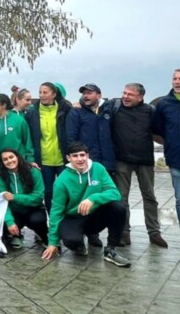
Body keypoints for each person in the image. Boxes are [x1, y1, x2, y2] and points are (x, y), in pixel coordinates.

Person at [41, 142, 130, 267]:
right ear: (68, 158)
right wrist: (52, 242)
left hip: (94, 215)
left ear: (87, 156)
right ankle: (79, 243)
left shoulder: (98, 168)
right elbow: (56, 211)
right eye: (75, 156)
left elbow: (115, 193)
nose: (80, 159)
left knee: (119, 207)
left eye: (82, 155)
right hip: (73, 217)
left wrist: (93, 198)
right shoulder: (62, 180)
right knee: (71, 241)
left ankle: (111, 249)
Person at [107, 83, 166, 248]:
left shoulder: (150, 111)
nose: (125, 97)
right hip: (122, 160)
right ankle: (124, 233)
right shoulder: (115, 108)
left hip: (145, 160)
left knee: (149, 196)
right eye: (124, 93)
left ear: (140, 97)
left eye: (130, 94)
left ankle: (154, 232)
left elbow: (161, 131)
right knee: (121, 199)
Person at [25, 82, 71, 209]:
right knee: (48, 191)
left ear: (54, 94)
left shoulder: (65, 110)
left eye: (45, 92)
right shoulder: (32, 112)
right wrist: (31, 158)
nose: (41, 95)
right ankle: (51, 217)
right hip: (44, 160)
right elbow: (28, 137)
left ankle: (66, 216)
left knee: (65, 189)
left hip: (62, 159)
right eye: (40, 92)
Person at [0, 148, 47, 249]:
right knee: (3, 223)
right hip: (14, 211)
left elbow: (38, 197)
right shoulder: (1, 177)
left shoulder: (34, 171)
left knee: (37, 220)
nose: (9, 161)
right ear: (2, 163)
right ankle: (16, 235)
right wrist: (9, 222)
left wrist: (15, 197)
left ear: (18, 157)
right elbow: (2, 202)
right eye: (5, 159)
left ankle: (44, 236)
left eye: (11, 157)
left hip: (33, 209)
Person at [66, 83, 115, 173]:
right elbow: (71, 137)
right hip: (87, 160)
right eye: (84, 93)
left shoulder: (108, 110)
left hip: (107, 159)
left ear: (99, 95)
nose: (86, 96)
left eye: (89, 93)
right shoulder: (76, 111)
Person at [153, 69, 180, 229]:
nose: (177, 81)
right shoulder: (164, 104)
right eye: (175, 78)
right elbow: (158, 127)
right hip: (176, 157)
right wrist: (171, 138)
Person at [0, 93, 34, 165]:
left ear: (3, 105)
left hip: (19, 161)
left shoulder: (19, 120)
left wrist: (30, 159)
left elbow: (27, 141)